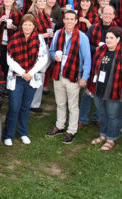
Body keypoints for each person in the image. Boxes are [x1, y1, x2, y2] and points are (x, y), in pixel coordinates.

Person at [46, 10, 91, 144]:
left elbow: (87, 60)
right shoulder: (58, 33)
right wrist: (54, 56)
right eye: (67, 19)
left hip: (74, 75)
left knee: (72, 105)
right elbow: (52, 50)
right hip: (58, 73)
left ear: (76, 21)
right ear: (64, 20)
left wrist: (85, 77)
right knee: (60, 103)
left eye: (72, 19)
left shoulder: (82, 37)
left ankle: (71, 130)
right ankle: (60, 126)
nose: (69, 21)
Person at [3, 14, 49, 146]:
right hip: (17, 77)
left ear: (34, 26)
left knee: (25, 107)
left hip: (32, 78)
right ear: (21, 25)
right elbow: (9, 59)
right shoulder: (14, 38)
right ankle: (8, 134)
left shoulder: (39, 39)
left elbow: (43, 59)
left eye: (30, 24)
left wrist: (30, 73)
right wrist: (23, 73)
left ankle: (23, 132)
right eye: (25, 24)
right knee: (14, 107)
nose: (27, 26)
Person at [88, 26, 122, 152]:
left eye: (111, 38)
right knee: (102, 114)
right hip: (99, 89)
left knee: (113, 115)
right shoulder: (101, 50)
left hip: (115, 91)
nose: (108, 40)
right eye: (107, 37)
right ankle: (103, 135)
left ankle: (111, 138)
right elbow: (94, 69)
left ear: (118, 39)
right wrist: (90, 86)